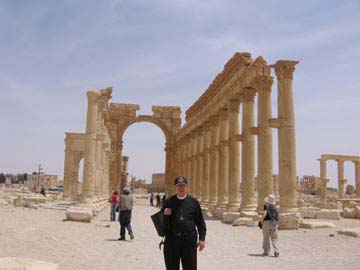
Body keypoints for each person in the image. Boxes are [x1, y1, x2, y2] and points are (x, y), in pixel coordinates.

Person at [162, 176, 206, 270]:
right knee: (171, 267)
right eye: (178, 186)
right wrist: (165, 214)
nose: (181, 188)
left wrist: (202, 239)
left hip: (189, 240)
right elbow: (160, 219)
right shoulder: (170, 200)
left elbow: (200, 221)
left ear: (187, 187)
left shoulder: (193, 202)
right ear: (175, 187)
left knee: (190, 267)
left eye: (183, 186)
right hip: (172, 240)